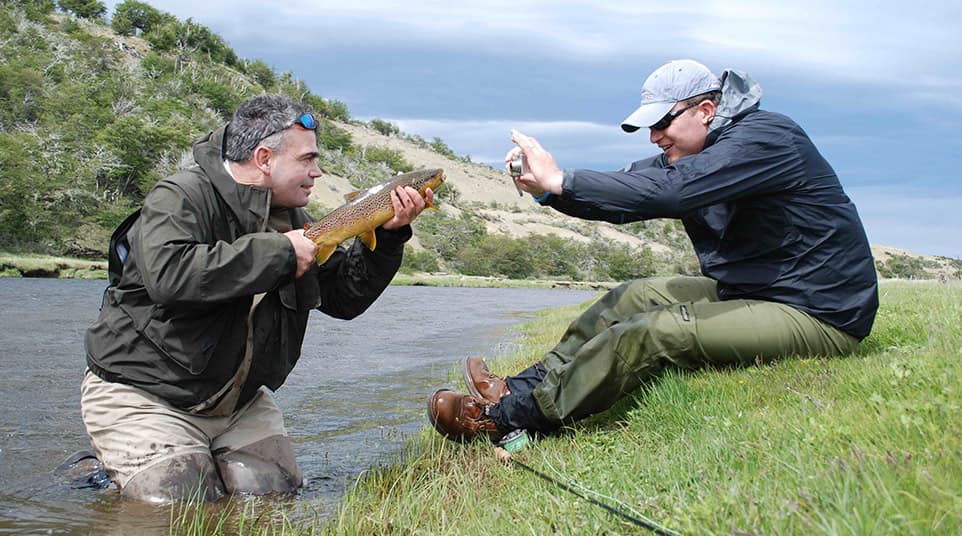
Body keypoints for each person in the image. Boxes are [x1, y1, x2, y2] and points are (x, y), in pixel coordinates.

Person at [427, 59, 878, 443]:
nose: (654, 137)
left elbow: (673, 191)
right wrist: (549, 191)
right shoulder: (691, 155)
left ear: (706, 110)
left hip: (817, 312)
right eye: (649, 126)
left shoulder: (767, 138)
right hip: (753, 291)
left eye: (662, 123)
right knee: (630, 299)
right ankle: (517, 388)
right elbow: (629, 192)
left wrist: (561, 181)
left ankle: (509, 419)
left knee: (654, 331)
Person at [80, 93, 434, 503]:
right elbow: (169, 275)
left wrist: (388, 238)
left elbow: (343, 298)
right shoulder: (181, 196)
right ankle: (102, 470)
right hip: (145, 397)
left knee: (271, 501)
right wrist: (282, 253)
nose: (317, 172)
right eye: (307, 160)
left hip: (238, 402)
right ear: (265, 158)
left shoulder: (296, 218)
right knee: (177, 507)